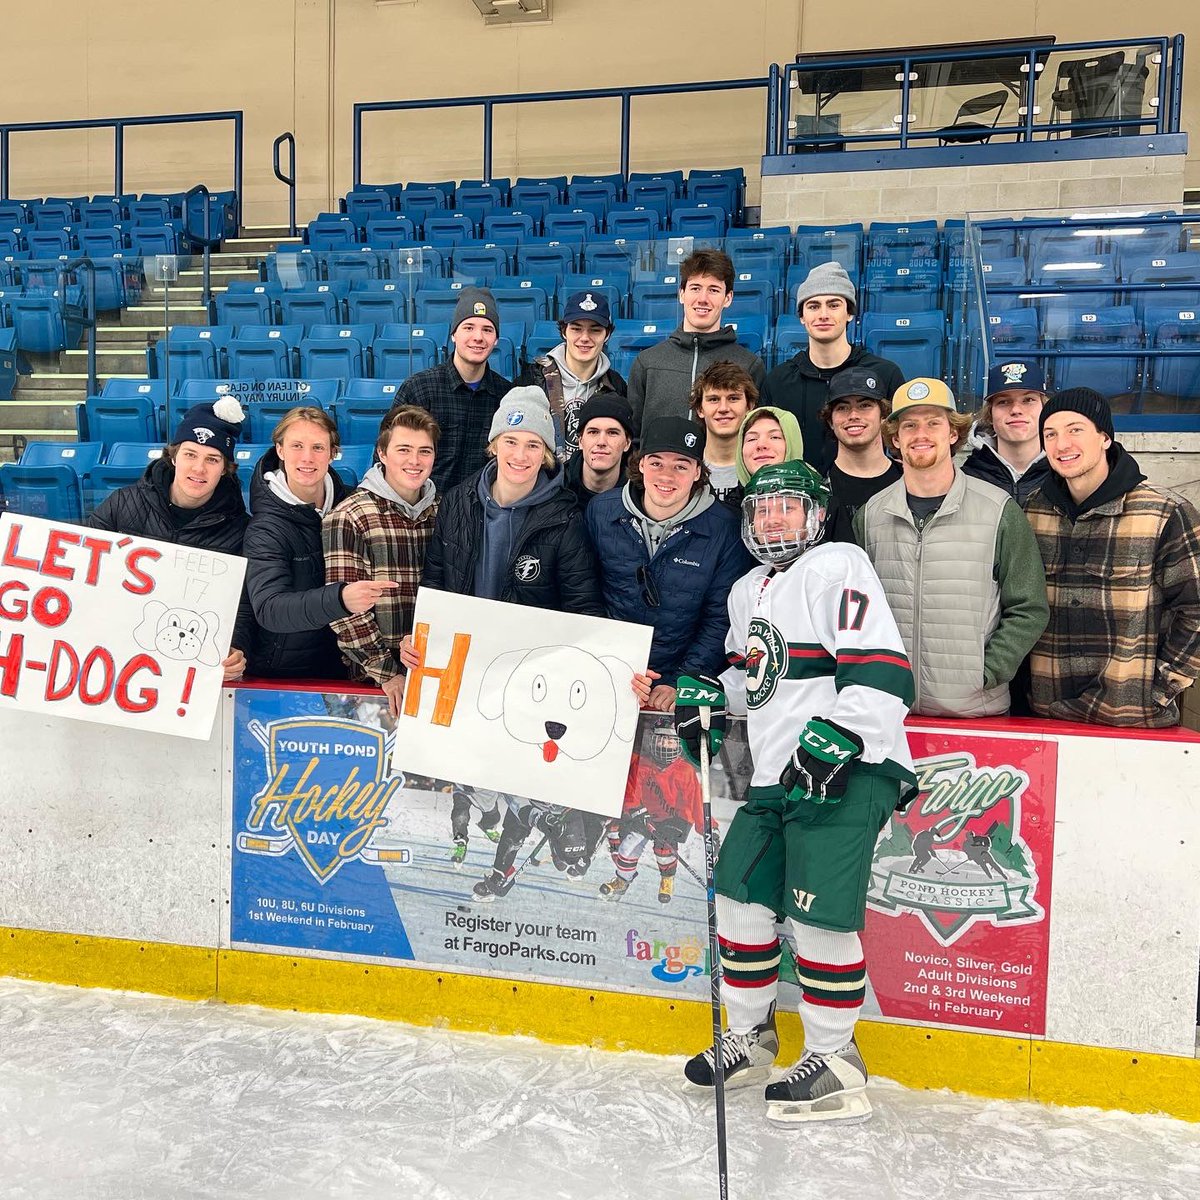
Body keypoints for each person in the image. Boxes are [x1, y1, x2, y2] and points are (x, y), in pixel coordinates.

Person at [676, 460, 916, 1126]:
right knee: (739, 896)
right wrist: (710, 696)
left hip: (852, 766)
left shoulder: (838, 564)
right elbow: (751, 678)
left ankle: (838, 1061)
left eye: (787, 508)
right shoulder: (747, 589)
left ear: (815, 515)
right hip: (776, 775)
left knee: (819, 918)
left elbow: (880, 668)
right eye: (762, 510)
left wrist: (843, 733)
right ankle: (752, 1039)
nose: (773, 520)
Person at [400, 386, 606, 888]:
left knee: (517, 786)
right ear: (493, 444)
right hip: (467, 675)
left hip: (528, 685)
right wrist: (420, 638)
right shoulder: (457, 502)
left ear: (548, 454)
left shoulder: (565, 517)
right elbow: (436, 582)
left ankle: (511, 870)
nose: (520, 454)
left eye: (533, 444)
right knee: (471, 781)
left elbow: (583, 609)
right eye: (511, 441)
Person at [854, 378, 1049, 718]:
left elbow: (1028, 607)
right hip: (887, 712)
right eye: (909, 425)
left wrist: (985, 674)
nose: (921, 434)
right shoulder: (870, 514)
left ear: (953, 433)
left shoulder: (998, 509)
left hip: (974, 712)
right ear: (895, 439)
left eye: (933, 423)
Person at [1024, 387, 1200, 727]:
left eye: (1075, 429)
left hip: (1131, 719)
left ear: (1105, 437)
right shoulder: (1032, 510)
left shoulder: (1165, 512)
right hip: (1047, 713)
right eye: (1050, 434)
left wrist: (1159, 691)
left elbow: (1195, 610)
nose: (1062, 444)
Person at [586, 416, 752, 714]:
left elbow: (721, 618)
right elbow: (587, 596)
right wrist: (613, 663)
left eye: (681, 465)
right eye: (656, 463)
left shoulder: (724, 528)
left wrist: (682, 680)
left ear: (698, 472)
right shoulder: (602, 511)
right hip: (608, 673)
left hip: (677, 685)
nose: (667, 476)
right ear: (640, 464)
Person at [87, 397, 254, 681]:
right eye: (190, 454)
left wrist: (235, 646)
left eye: (212, 459)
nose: (199, 468)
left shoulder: (241, 529)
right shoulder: (121, 505)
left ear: (225, 468)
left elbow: (244, 606)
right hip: (116, 660)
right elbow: (85, 570)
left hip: (187, 668)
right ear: (174, 457)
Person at [244, 408, 396, 680]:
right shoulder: (265, 528)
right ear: (280, 450)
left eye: (317, 447)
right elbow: (270, 609)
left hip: (346, 668)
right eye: (297, 446)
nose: (307, 457)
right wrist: (340, 599)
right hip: (285, 674)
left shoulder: (353, 507)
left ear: (332, 453)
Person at [323, 405, 441, 718]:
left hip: (434, 674)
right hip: (375, 684)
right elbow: (344, 611)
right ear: (382, 453)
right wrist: (388, 672)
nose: (414, 461)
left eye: (424, 451)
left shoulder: (444, 512)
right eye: (403, 449)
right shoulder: (349, 516)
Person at [759, 262, 904, 475]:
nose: (823, 314)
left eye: (834, 305)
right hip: (798, 499)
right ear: (802, 317)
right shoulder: (778, 381)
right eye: (813, 306)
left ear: (850, 313)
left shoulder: (885, 374)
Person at [384, 287, 511, 492]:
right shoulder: (419, 388)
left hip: (480, 512)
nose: (478, 337)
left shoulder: (506, 396)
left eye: (487, 330)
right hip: (425, 510)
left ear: (496, 339)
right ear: (453, 335)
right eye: (468, 327)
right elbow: (387, 457)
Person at [626, 249, 766, 435]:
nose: (703, 299)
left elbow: (755, 434)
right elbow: (632, 437)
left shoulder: (748, 365)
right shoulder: (647, 362)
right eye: (695, 288)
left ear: (728, 298)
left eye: (713, 290)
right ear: (681, 294)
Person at [598, 715, 704, 904]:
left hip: (672, 820)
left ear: (678, 744)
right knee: (628, 847)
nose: (666, 744)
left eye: (671, 740)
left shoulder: (685, 770)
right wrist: (637, 811)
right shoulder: (642, 764)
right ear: (654, 740)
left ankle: (667, 879)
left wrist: (704, 827)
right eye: (662, 738)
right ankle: (622, 880)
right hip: (644, 816)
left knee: (664, 847)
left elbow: (693, 803)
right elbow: (632, 792)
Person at [517, 290, 626, 460]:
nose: (584, 338)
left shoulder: (616, 386)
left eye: (595, 330)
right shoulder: (532, 380)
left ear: (607, 335)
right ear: (563, 332)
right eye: (576, 329)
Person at [819, 366, 902, 544]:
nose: (854, 415)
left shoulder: (910, 480)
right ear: (830, 421)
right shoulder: (817, 489)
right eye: (842, 407)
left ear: (883, 416)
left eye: (865, 405)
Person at [962, 360, 1052, 507]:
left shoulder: (1066, 477)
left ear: (1045, 409)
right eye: (1004, 402)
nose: (1016, 410)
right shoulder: (965, 479)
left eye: (1028, 400)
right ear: (990, 415)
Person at [689, 360, 759, 510]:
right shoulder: (684, 467)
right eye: (713, 399)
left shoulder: (762, 467)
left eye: (733, 398)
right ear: (700, 409)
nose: (723, 408)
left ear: (749, 406)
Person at [563, 395, 635, 511]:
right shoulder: (555, 489)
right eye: (593, 432)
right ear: (580, 441)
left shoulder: (640, 498)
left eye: (612, 433)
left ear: (627, 443)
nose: (601, 442)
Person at [734, 405, 804, 490]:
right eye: (752, 439)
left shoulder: (818, 501)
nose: (761, 445)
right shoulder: (728, 502)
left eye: (774, 437)